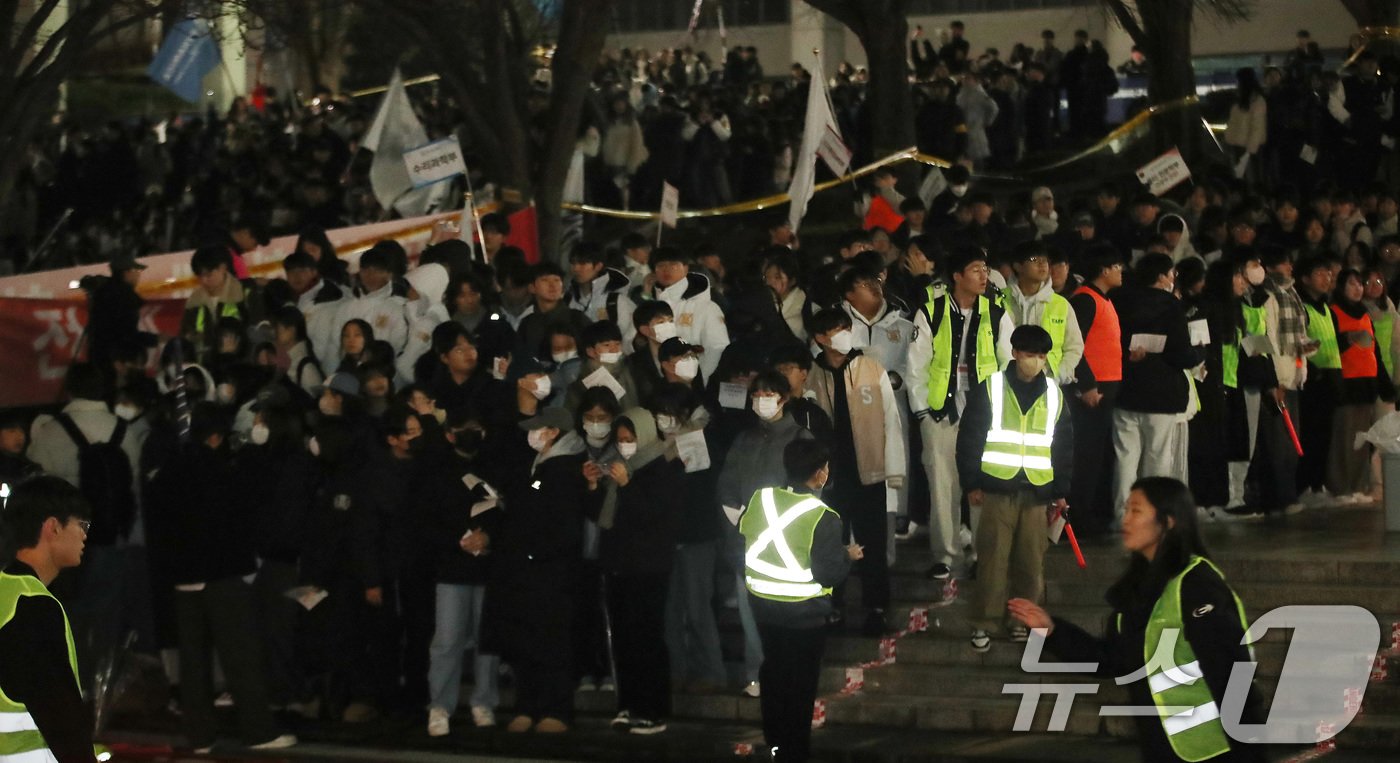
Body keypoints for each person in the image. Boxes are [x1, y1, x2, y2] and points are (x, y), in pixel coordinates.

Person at [1009, 477, 1266, 763]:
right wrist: (1053, 631)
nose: (1126, 519)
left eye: (1136, 511)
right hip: (1163, 750)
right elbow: (1112, 659)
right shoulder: (1137, 588)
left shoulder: (1196, 585)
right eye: (1127, 509)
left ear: (1168, 522)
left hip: (1215, 752)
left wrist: (1250, 752)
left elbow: (1233, 677)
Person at [739, 438, 859, 763]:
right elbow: (827, 573)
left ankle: (775, 743)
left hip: (763, 606)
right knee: (800, 686)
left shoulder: (761, 498)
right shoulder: (824, 516)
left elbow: (746, 532)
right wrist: (847, 558)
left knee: (773, 674)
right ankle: (794, 750)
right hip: (804, 615)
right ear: (820, 474)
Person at [957, 325, 1072, 651]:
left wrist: (1060, 490)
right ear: (1015, 353)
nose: (1036, 361)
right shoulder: (991, 389)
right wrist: (971, 483)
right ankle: (984, 622)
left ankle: (1021, 622)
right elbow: (970, 438)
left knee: (1030, 563)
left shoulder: (1053, 394)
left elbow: (1063, 447)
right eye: (1030, 354)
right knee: (992, 560)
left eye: (1041, 356)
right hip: (996, 489)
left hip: (1037, 494)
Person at [906, 247, 1005, 579]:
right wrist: (922, 412)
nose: (983, 276)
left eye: (985, 269)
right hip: (940, 411)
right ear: (957, 276)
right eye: (976, 269)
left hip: (983, 413)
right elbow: (916, 367)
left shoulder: (997, 312)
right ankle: (946, 555)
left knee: (981, 484)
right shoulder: (931, 312)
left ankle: (980, 552)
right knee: (942, 483)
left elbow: (1007, 363)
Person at [805, 308, 905, 635]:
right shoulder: (810, 375)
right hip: (827, 478)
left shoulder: (870, 367)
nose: (843, 335)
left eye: (846, 328)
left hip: (868, 472)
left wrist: (894, 470)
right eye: (835, 330)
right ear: (820, 338)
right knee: (828, 543)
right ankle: (831, 607)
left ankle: (876, 608)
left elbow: (890, 419)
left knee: (872, 544)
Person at [0, 476, 103, 762]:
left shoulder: (5, 593)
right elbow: (59, 715)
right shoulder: (34, 606)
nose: (85, 536)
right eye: (81, 525)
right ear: (53, 527)